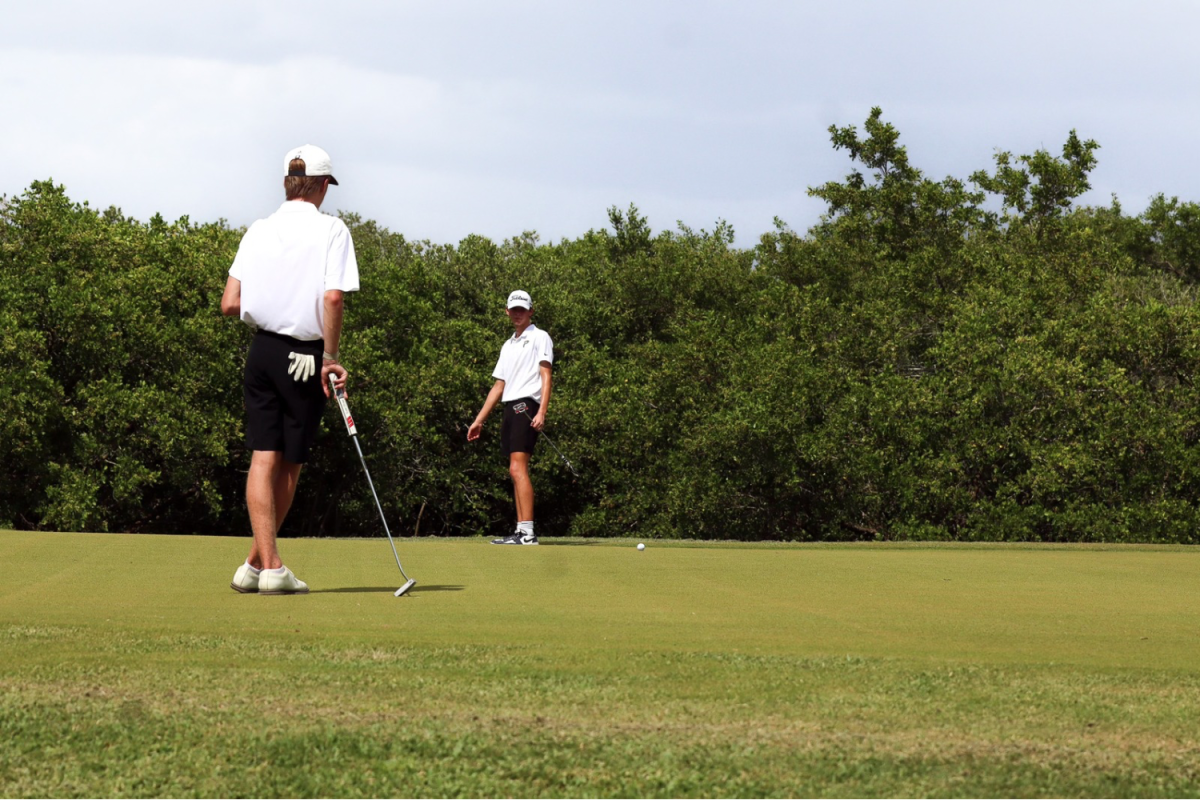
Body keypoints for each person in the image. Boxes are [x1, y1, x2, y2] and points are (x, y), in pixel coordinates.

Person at [219, 144, 359, 593]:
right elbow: (333, 298)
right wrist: (332, 358)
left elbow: (230, 303)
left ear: (287, 183)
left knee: (263, 456)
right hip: (304, 356)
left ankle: (254, 565)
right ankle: (274, 568)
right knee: (290, 465)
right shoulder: (332, 230)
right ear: (320, 186)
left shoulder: (258, 229)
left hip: (261, 352)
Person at [468, 290, 554, 545]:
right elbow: (499, 386)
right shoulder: (508, 344)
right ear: (507, 311)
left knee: (518, 468)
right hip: (510, 406)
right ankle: (521, 531)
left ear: (531, 312)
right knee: (513, 469)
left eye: (522, 309)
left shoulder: (540, 337)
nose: (517, 313)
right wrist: (479, 420)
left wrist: (542, 411)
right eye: (513, 309)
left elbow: (546, 376)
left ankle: (527, 532)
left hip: (526, 405)